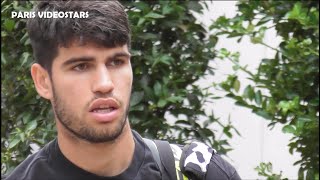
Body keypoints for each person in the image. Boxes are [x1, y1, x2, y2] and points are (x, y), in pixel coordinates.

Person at [5, 1, 241, 180]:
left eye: (116, 62)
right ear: (43, 81)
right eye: (81, 66)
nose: (105, 84)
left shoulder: (200, 173)